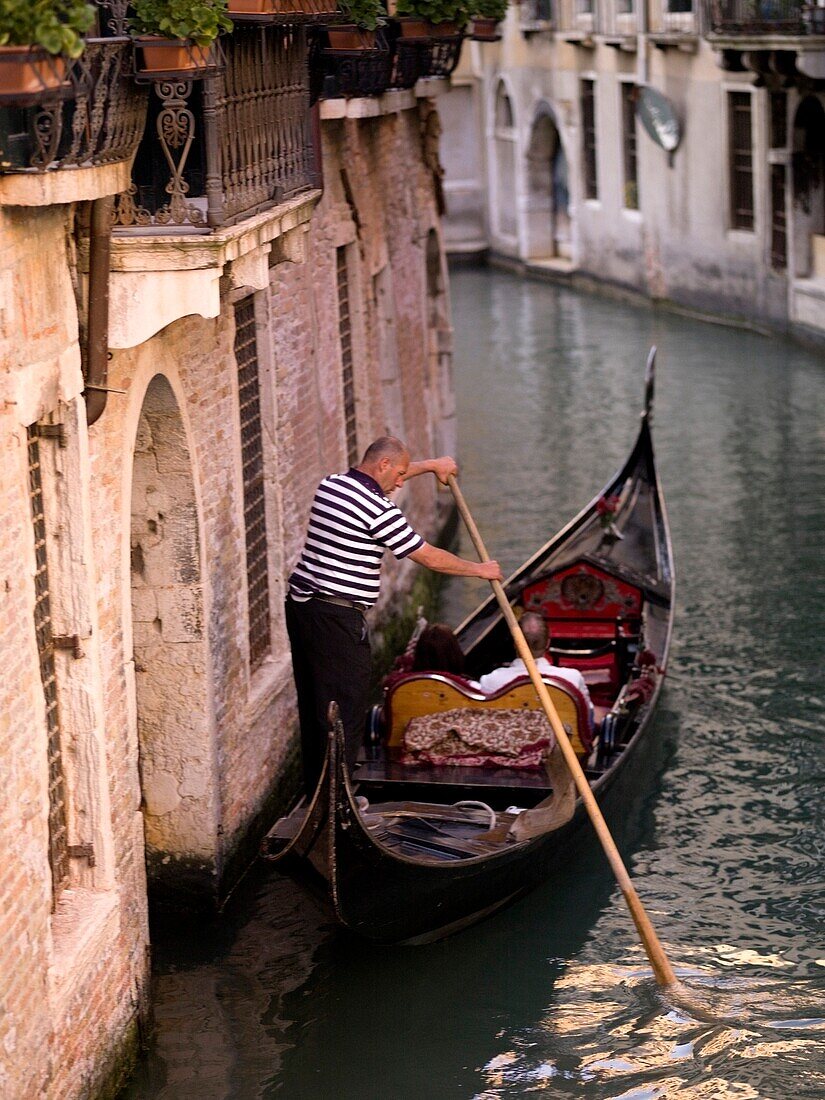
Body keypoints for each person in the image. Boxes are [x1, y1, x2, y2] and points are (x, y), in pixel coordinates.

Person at [285, 436, 502, 795]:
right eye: (399, 474)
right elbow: (427, 555)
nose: (402, 482)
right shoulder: (378, 511)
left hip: (302, 609)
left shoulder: (332, 485)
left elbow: (386, 475)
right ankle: (337, 801)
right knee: (346, 711)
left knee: (315, 706)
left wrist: (430, 465)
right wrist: (481, 570)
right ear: (383, 466)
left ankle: (317, 794)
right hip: (337, 619)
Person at [477, 611, 594, 723]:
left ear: (514, 643)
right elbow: (587, 716)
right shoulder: (572, 678)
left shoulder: (490, 680)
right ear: (548, 643)